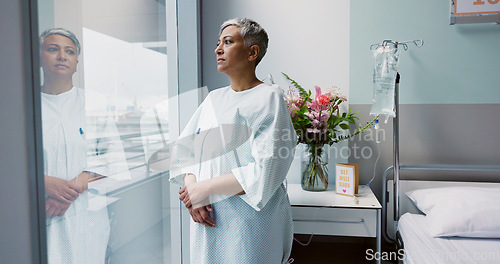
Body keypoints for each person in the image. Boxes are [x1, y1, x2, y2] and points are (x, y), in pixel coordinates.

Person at [170, 18, 296, 264]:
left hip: (248, 223)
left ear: (252, 52)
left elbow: (267, 170)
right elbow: (186, 151)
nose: (218, 49)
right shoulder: (213, 100)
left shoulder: (269, 98)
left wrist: (204, 189)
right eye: (218, 43)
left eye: (227, 42)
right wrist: (194, 191)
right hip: (207, 216)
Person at [40, 28, 123, 264]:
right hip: (41, 215)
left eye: (70, 51)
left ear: (77, 62)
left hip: (86, 218)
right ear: (39, 57)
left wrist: (72, 188)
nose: (62, 56)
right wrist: (42, 182)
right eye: (53, 49)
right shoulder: (24, 106)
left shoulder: (95, 103)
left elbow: (115, 161)